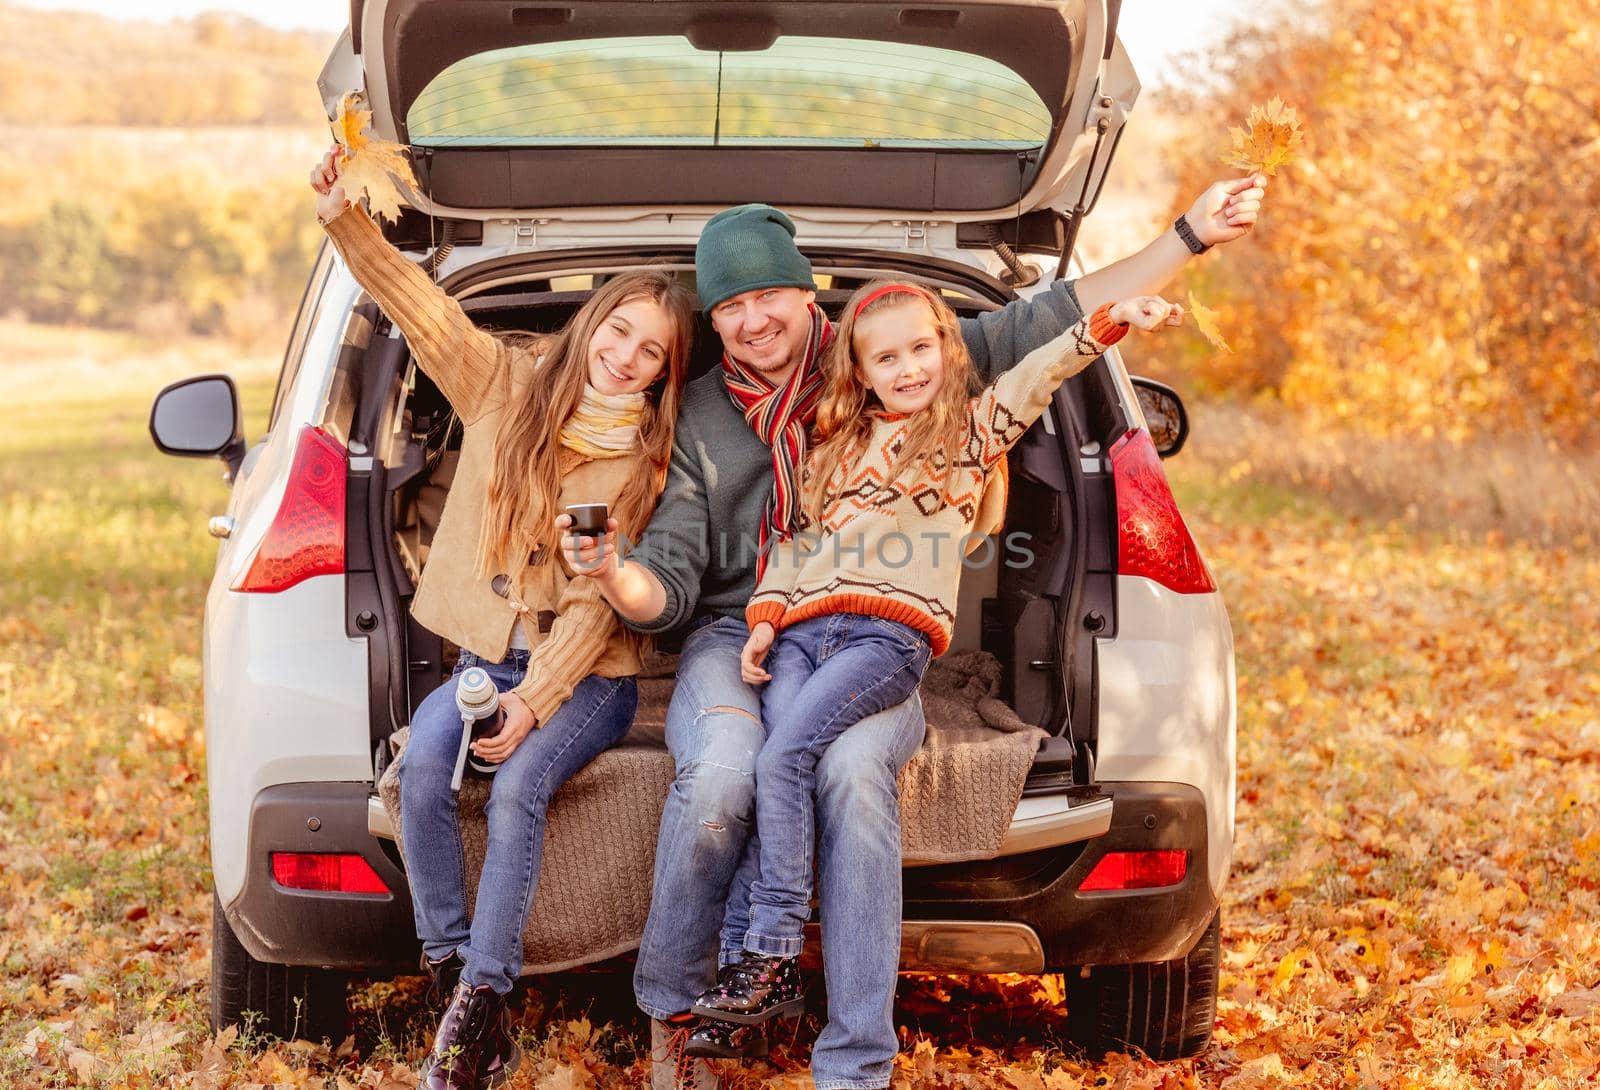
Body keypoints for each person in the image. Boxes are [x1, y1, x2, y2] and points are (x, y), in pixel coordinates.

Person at [562, 175, 1267, 1090]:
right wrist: (618, 574)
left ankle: (854, 1062)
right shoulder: (697, 411)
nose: (753, 320)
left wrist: (1189, 234)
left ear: (807, 288)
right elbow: (680, 570)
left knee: (853, 772)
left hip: (877, 634)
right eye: (730, 306)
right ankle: (677, 1011)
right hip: (752, 626)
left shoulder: (885, 353)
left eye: (767, 293)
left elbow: (1049, 326)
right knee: (726, 773)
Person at [683, 283, 1182, 1032]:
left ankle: (770, 952)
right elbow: (798, 544)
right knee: (770, 764)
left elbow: (1042, 369)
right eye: (887, 357)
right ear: (860, 370)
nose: (909, 368)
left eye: (922, 349)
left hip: (885, 639)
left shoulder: (969, 434)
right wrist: (764, 619)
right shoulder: (838, 443)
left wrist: (1113, 319)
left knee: (785, 757)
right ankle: (757, 962)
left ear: (949, 351)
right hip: (800, 636)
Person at [309, 146, 695, 1090]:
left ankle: (485, 996)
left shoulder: (646, 463)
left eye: (650, 351)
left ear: (664, 371)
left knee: (522, 787)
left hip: (589, 678)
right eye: (619, 332)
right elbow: (421, 306)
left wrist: (535, 704)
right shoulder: (505, 386)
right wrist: (342, 218)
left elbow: (601, 615)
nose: (625, 356)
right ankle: (453, 980)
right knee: (423, 774)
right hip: (488, 655)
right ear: (592, 322)